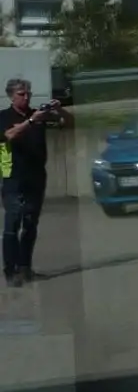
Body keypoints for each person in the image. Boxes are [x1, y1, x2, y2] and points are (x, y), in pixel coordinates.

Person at [0, 77, 70, 287]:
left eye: (28, 92)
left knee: (30, 224)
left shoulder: (38, 115)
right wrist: (31, 122)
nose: (26, 96)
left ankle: (25, 267)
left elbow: (67, 124)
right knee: (12, 224)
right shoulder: (4, 116)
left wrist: (60, 110)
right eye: (21, 93)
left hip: (36, 176)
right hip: (12, 175)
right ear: (11, 96)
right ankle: (10, 271)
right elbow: (8, 135)